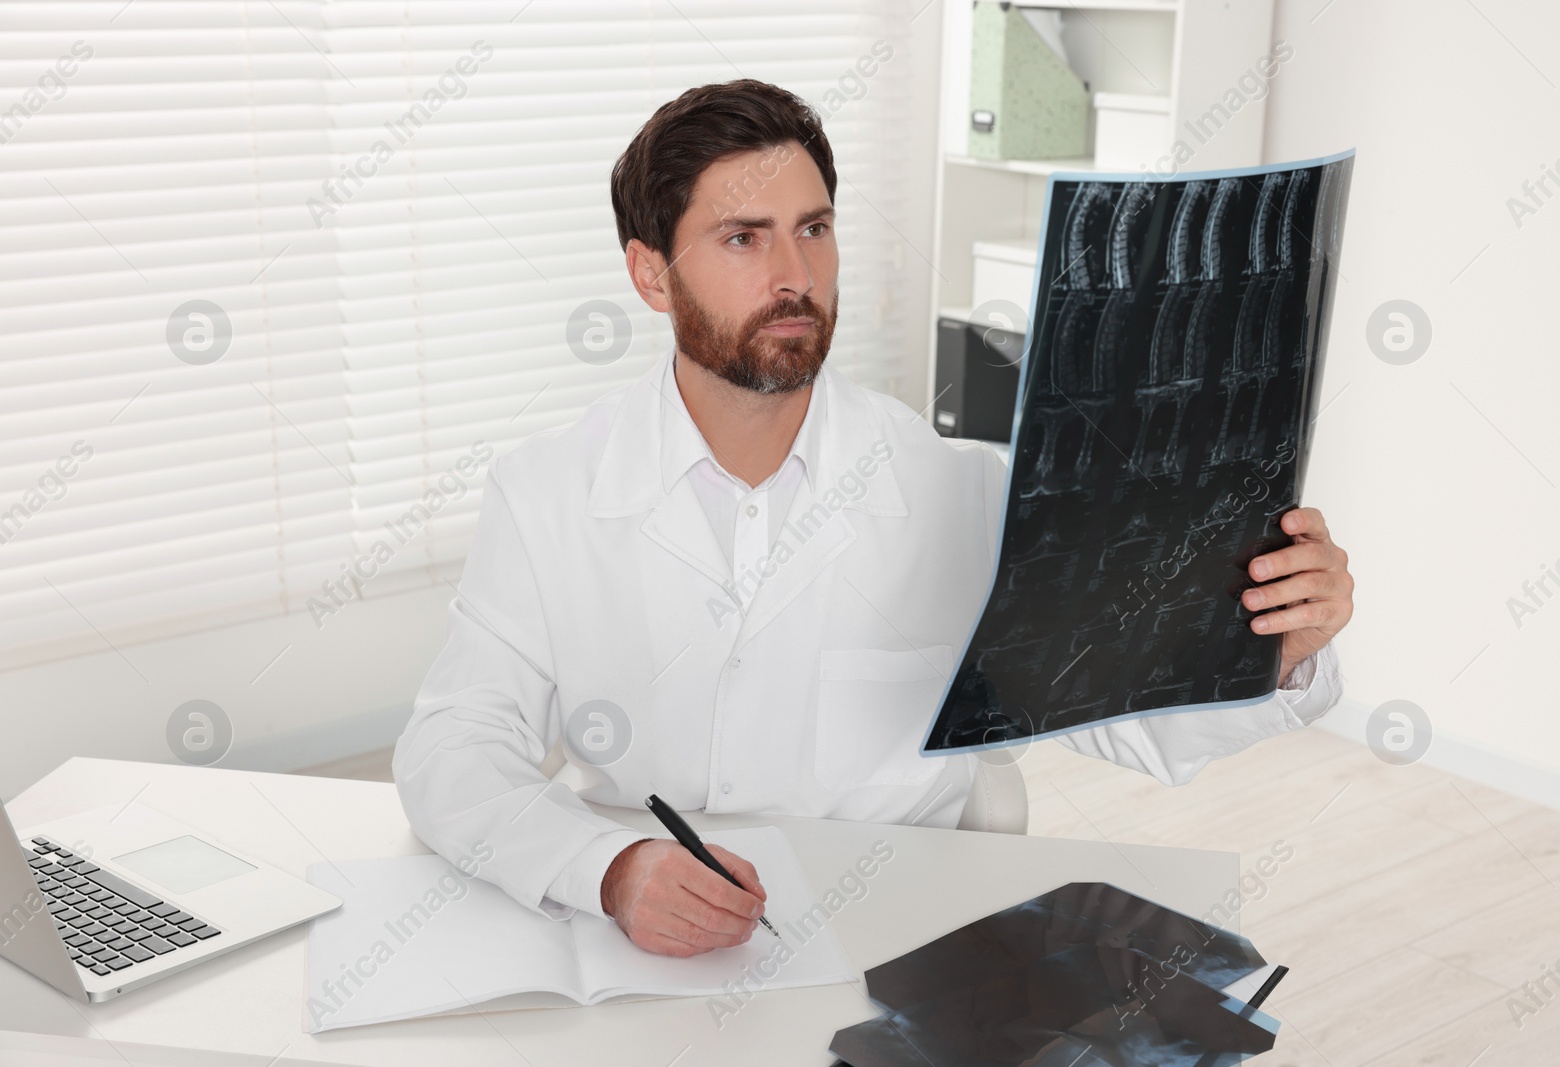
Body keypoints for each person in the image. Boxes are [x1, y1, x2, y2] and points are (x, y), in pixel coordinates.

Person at [393, 80, 1354, 959]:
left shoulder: (959, 491)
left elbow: (1138, 720)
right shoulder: (550, 492)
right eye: (743, 237)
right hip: (642, 952)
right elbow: (451, 749)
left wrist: (1280, 642)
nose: (793, 273)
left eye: (813, 229)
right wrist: (606, 869)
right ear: (651, 275)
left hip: (895, 947)